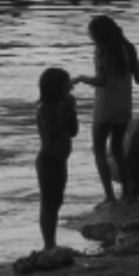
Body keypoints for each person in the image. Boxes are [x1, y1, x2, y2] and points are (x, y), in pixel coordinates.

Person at [73, 15, 139, 205]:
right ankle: (127, 193)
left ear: (98, 34)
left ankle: (110, 196)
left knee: (99, 150)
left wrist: (81, 78)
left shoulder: (102, 50)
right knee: (118, 150)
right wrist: (138, 67)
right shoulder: (129, 48)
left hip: (105, 107)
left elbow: (102, 81)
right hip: (124, 106)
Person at [35, 67, 78, 252]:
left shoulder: (62, 107)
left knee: (57, 201)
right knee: (48, 204)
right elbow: (51, 134)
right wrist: (63, 114)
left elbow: (74, 131)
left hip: (60, 161)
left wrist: (71, 112)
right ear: (55, 88)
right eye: (67, 85)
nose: (71, 89)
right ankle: (48, 244)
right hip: (48, 161)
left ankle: (52, 242)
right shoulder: (44, 109)